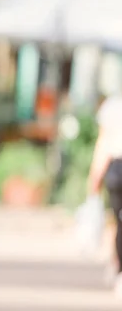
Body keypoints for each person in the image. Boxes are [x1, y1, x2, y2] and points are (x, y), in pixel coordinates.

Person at [88, 93, 122, 297]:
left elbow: (102, 144)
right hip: (116, 169)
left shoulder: (111, 107)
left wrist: (94, 178)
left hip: (116, 168)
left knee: (117, 220)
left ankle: (117, 265)